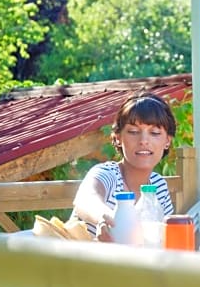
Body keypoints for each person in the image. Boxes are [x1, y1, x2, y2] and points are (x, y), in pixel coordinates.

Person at [71, 92, 176, 242]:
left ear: (167, 141)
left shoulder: (158, 186)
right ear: (118, 138)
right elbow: (85, 198)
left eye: (154, 133)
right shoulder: (107, 174)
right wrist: (105, 218)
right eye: (133, 132)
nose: (144, 141)